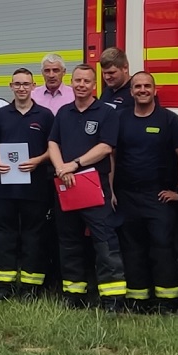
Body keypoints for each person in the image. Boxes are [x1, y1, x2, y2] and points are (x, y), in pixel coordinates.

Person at [48, 64, 128, 311]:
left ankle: (112, 298)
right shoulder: (64, 112)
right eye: (77, 80)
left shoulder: (106, 112)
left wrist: (74, 165)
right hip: (66, 185)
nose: (81, 85)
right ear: (71, 83)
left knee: (105, 242)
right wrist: (61, 168)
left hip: (94, 186)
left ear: (94, 85)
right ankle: (74, 295)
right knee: (69, 241)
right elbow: (53, 142)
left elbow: (106, 147)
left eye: (86, 81)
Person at [114, 71, 178, 313]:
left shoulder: (168, 120)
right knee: (132, 250)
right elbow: (111, 155)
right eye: (137, 86)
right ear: (131, 91)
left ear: (155, 90)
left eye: (147, 86)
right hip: (127, 196)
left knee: (162, 249)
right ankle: (138, 300)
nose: (142, 90)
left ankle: (168, 301)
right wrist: (110, 190)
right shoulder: (120, 118)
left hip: (159, 197)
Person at [0, 68, 54, 300]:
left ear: (34, 86)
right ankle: (4, 286)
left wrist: (38, 160)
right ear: (11, 86)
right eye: (17, 84)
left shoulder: (45, 116)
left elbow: (53, 149)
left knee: (32, 236)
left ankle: (30, 287)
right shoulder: (0, 115)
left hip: (35, 188)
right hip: (4, 188)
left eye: (26, 84)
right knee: (4, 236)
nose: (22, 88)